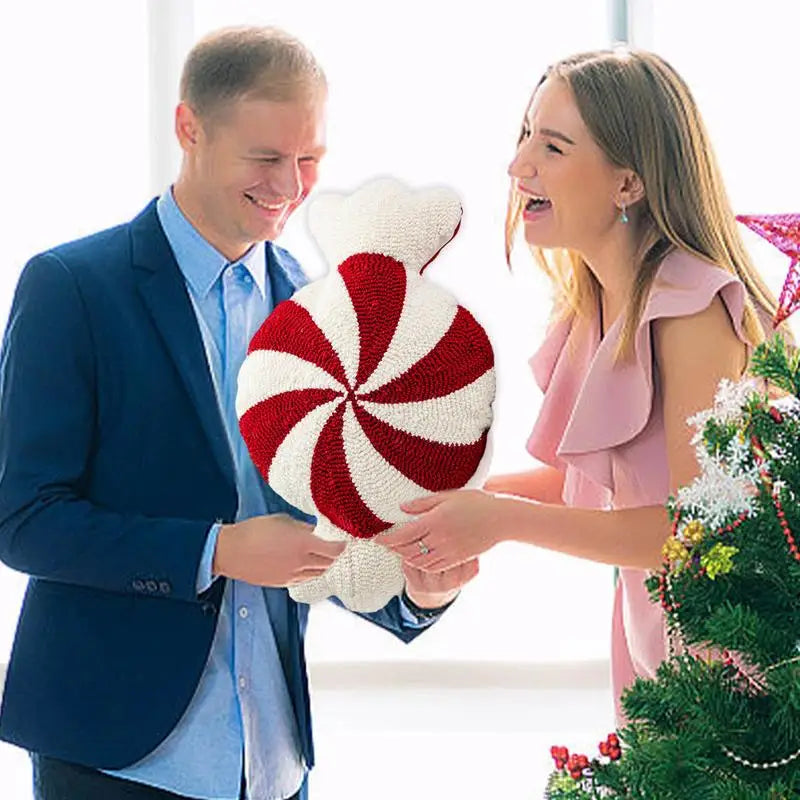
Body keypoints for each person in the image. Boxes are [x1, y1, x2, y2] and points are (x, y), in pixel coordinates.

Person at [0, 26, 478, 800]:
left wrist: (419, 591)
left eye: (310, 158)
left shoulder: (329, 315)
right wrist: (215, 550)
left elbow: (338, 527)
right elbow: (22, 518)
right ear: (189, 128)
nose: (290, 185)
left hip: (275, 765)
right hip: (114, 760)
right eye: (265, 158)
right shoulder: (72, 288)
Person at [380, 48, 791, 724]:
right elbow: (600, 487)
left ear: (628, 183)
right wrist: (462, 506)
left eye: (554, 146)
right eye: (524, 135)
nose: (519, 165)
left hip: (738, 686)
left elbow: (692, 530)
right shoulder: (597, 305)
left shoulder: (690, 309)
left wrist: (503, 521)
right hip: (661, 660)